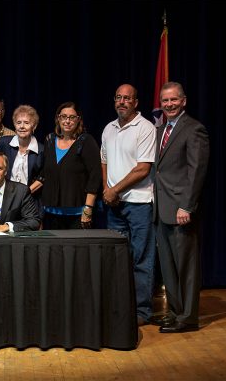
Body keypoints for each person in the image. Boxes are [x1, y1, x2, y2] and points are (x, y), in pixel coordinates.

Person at [152, 82, 210, 333]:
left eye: (173, 100)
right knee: (168, 266)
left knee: (186, 267)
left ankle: (188, 318)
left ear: (183, 101)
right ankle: (175, 312)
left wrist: (187, 206)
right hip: (161, 210)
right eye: (165, 101)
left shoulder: (194, 129)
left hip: (181, 211)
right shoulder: (160, 130)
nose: (169, 105)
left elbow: (197, 171)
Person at [101, 84, 157, 326]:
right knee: (118, 258)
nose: (122, 102)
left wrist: (114, 190)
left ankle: (142, 311)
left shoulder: (145, 128)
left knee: (141, 258)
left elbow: (143, 169)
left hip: (139, 204)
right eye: (118, 98)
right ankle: (120, 306)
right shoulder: (108, 129)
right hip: (114, 205)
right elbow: (104, 162)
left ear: (136, 102)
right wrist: (106, 189)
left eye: (127, 98)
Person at [40, 102, 101, 229]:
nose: (67, 121)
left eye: (72, 117)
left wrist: (88, 208)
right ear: (58, 118)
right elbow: (44, 174)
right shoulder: (49, 140)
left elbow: (95, 177)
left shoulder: (86, 141)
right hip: (50, 213)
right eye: (63, 116)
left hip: (77, 214)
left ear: (78, 120)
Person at [0, 104, 44, 217]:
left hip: (30, 201)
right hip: (3, 200)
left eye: (26, 123)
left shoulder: (41, 150)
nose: (22, 126)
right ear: (14, 125)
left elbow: (43, 177)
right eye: (18, 122)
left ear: (34, 126)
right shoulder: (3, 143)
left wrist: (23, 195)